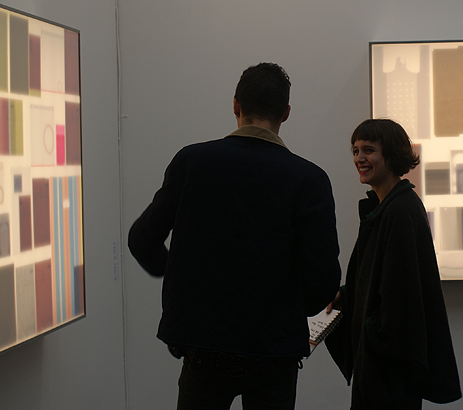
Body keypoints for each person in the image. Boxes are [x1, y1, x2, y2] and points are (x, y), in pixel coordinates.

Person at [128, 62, 341, 410]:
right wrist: (286, 307)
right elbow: (323, 280)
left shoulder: (192, 162)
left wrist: (179, 275)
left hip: (203, 347)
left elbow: (141, 240)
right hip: (274, 353)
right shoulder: (308, 179)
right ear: (286, 113)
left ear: (235, 105)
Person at [325, 118, 462, 410]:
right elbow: (375, 278)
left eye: (369, 150)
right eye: (355, 150)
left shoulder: (399, 211)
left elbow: (399, 297)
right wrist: (346, 298)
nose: (359, 158)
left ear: (392, 155)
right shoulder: (386, 207)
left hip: (387, 372)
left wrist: (372, 336)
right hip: (380, 368)